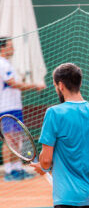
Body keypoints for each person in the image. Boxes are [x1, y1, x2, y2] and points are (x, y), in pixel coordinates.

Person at [31, 63, 89, 208]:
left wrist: (43, 167)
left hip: (66, 199)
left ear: (61, 85)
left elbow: (46, 161)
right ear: (79, 83)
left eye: (55, 86)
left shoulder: (54, 113)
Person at [0, 37, 46, 181]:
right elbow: (13, 84)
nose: (13, 49)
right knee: (9, 139)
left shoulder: (7, 64)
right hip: (6, 108)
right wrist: (35, 85)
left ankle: (17, 169)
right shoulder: (2, 64)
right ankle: (9, 172)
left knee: (16, 138)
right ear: (3, 48)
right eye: (10, 46)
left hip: (14, 106)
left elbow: (13, 85)